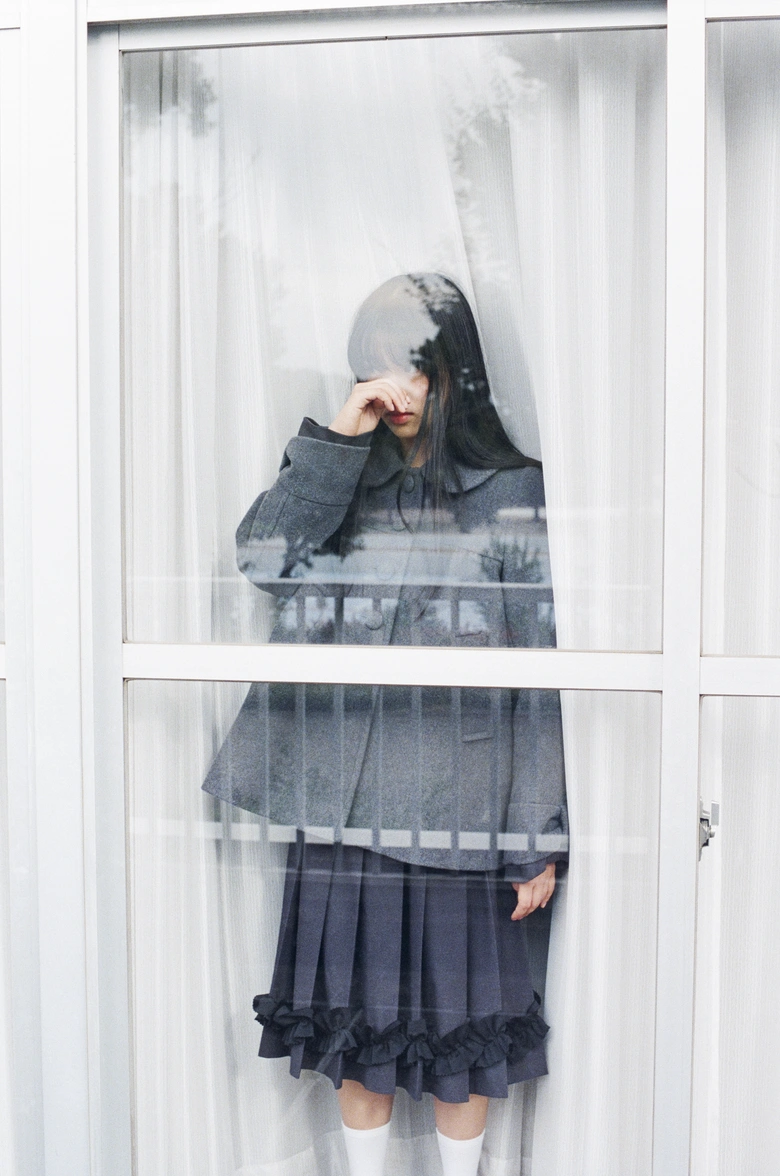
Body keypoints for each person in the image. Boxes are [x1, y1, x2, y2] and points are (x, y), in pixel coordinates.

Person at [203, 273, 568, 1176]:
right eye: (374, 368)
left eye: (412, 369)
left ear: (454, 373)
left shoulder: (510, 492)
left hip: (460, 814)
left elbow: (542, 672)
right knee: (351, 1030)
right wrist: (340, 437)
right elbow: (264, 562)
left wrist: (537, 832)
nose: (394, 391)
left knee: (461, 1039)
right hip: (340, 806)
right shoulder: (343, 479)